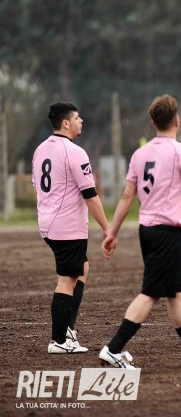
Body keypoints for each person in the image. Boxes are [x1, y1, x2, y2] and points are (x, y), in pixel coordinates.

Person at [99, 94, 181, 369]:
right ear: (177, 120)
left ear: (153, 122)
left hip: (147, 230)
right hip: (167, 232)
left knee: (174, 292)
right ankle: (113, 348)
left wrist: (112, 232)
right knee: (151, 293)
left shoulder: (140, 154)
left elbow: (127, 196)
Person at [32, 102, 111, 354]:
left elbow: (38, 187)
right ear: (66, 123)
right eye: (77, 117)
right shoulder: (74, 152)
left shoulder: (40, 149)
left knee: (82, 269)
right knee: (67, 280)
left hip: (48, 222)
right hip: (66, 226)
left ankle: (68, 329)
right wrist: (107, 228)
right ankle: (59, 341)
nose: (81, 121)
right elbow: (90, 195)